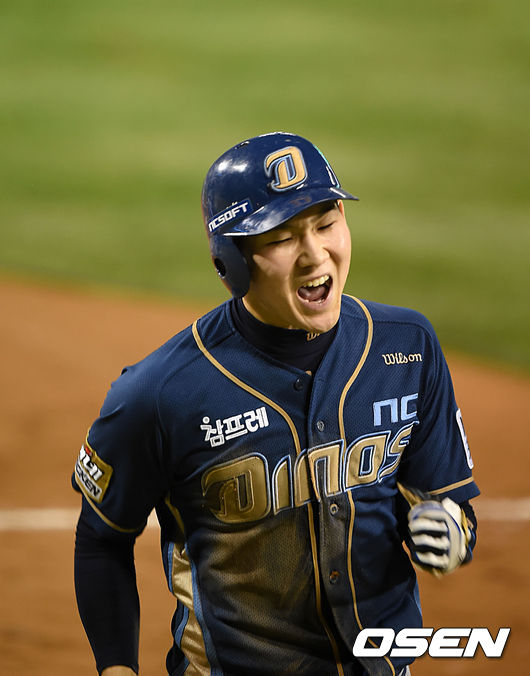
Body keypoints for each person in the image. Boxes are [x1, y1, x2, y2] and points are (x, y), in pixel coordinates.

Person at [73, 132, 479, 676]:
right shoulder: (160, 393)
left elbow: (446, 503)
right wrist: (117, 668)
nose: (315, 255)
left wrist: (452, 533)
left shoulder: (407, 347)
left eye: (326, 224)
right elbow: (102, 540)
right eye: (283, 238)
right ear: (232, 262)